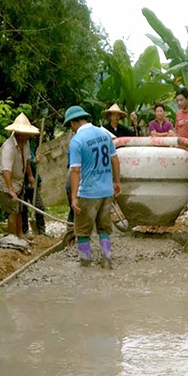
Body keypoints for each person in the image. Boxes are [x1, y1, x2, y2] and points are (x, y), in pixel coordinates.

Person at [64, 105, 121, 269]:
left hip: (88, 192)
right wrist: (117, 182)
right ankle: (107, 259)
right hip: (106, 191)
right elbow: (115, 159)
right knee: (104, 228)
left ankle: (85, 263)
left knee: (82, 231)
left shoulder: (77, 141)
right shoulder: (104, 134)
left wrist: (74, 197)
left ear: (74, 123)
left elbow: (75, 171)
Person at [0, 113, 39, 239]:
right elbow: (6, 170)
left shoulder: (25, 144)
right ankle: (13, 237)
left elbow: (27, 161)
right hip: (6, 183)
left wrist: (30, 176)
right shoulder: (9, 147)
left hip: (18, 183)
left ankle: (20, 235)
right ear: (19, 133)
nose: (29, 135)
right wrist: (10, 189)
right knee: (13, 212)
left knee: (19, 210)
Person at [21, 141, 45, 236]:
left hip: (33, 184)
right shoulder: (20, 147)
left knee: (39, 206)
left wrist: (38, 182)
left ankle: (41, 230)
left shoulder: (30, 146)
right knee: (23, 209)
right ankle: (25, 230)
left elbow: (34, 168)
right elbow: (25, 162)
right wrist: (34, 161)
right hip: (22, 183)